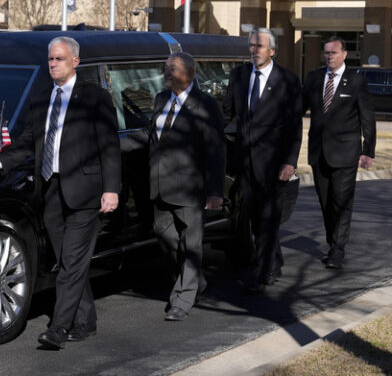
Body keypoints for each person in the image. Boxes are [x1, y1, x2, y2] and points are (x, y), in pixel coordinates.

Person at [0, 36, 120, 349]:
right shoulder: (41, 98)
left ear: (75, 61)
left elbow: (109, 147)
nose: (53, 64)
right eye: (50, 59)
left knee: (71, 264)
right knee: (69, 261)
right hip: (50, 191)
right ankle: (86, 319)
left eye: (60, 59)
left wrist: (111, 190)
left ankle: (59, 328)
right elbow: (26, 143)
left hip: (85, 193)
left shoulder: (95, 97)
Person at [223, 28, 302, 293]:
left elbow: (294, 126)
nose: (254, 50)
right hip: (245, 162)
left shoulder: (287, 81)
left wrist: (290, 161)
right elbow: (227, 115)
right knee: (256, 219)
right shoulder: (238, 76)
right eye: (251, 45)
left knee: (269, 218)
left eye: (259, 45)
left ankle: (264, 272)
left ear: (272, 51)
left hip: (274, 163)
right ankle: (274, 259)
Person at [149, 53, 225, 321]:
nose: (167, 72)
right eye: (166, 68)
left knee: (191, 244)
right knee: (164, 234)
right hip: (161, 186)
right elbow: (155, 139)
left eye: (173, 69)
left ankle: (182, 298)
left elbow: (216, 150)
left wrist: (216, 191)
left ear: (190, 73)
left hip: (191, 187)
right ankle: (196, 279)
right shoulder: (161, 99)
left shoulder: (205, 104)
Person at [303, 36, 375, 270]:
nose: (329, 56)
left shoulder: (356, 81)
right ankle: (332, 241)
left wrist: (368, 151)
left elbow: (367, 118)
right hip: (318, 153)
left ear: (344, 54)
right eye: (326, 52)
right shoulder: (314, 79)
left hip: (345, 153)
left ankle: (337, 250)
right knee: (326, 203)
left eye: (334, 52)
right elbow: (298, 108)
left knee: (341, 202)